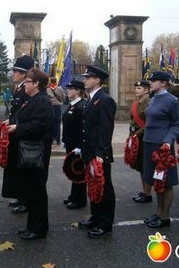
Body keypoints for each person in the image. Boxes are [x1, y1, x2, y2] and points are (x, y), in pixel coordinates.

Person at [5, 67, 53, 240]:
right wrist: (12, 122)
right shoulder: (32, 99)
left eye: (28, 82)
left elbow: (40, 126)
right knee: (31, 191)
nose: (25, 84)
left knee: (37, 192)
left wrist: (18, 128)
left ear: (37, 84)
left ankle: (39, 230)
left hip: (36, 153)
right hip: (28, 153)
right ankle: (31, 226)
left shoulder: (43, 101)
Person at [78, 65, 116, 238]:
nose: (85, 80)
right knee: (93, 185)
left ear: (97, 80)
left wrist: (101, 154)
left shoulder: (105, 100)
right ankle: (95, 217)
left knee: (104, 187)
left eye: (88, 77)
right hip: (89, 151)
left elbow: (106, 129)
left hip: (99, 154)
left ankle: (105, 223)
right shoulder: (91, 99)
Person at [143, 71, 179, 228]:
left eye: (154, 80)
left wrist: (168, 141)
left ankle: (165, 217)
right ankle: (158, 213)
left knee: (166, 182)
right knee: (156, 180)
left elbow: (177, 124)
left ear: (164, 83)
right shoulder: (153, 99)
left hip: (162, 147)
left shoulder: (172, 101)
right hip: (149, 144)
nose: (151, 83)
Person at [2, 55, 35, 215]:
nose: (13, 73)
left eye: (16, 71)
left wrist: (15, 122)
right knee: (16, 167)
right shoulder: (19, 88)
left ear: (23, 74)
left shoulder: (26, 90)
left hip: (21, 132)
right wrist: (10, 120)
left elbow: (25, 113)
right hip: (15, 130)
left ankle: (25, 200)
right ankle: (20, 197)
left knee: (22, 168)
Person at [62, 80, 87, 209]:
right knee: (73, 170)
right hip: (70, 143)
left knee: (78, 171)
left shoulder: (81, 106)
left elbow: (81, 128)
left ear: (78, 91)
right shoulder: (72, 105)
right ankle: (73, 196)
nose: (68, 90)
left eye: (71, 88)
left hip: (77, 145)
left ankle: (80, 199)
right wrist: (64, 140)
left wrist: (80, 146)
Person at [130, 80, 152, 203]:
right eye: (136, 88)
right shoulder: (135, 103)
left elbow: (148, 123)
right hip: (136, 136)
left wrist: (136, 134)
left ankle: (148, 193)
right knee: (139, 165)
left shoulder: (149, 103)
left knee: (145, 166)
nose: (137, 90)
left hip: (144, 137)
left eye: (140, 88)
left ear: (147, 90)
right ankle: (144, 191)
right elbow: (132, 121)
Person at [46, 77, 64, 145]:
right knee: (58, 123)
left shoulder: (47, 89)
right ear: (56, 81)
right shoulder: (60, 88)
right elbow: (63, 96)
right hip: (57, 106)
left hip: (50, 106)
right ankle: (58, 140)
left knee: (51, 123)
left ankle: (52, 139)